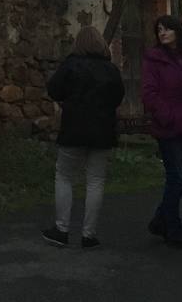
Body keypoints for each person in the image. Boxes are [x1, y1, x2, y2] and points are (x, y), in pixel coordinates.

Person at [42, 25, 126, 249]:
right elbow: (118, 96)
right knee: (96, 181)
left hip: (74, 128)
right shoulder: (110, 70)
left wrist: (67, 101)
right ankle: (89, 234)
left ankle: (61, 229)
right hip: (103, 130)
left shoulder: (71, 65)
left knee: (65, 176)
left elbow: (53, 89)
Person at [141, 13, 182, 249]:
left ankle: (161, 219)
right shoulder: (154, 61)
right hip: (169, 126)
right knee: (176, 176)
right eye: (159, 30)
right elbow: (149, 93)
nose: (162, 33)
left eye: (167, 29)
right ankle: (175, 230)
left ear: (177, 31)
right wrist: (165, 115)